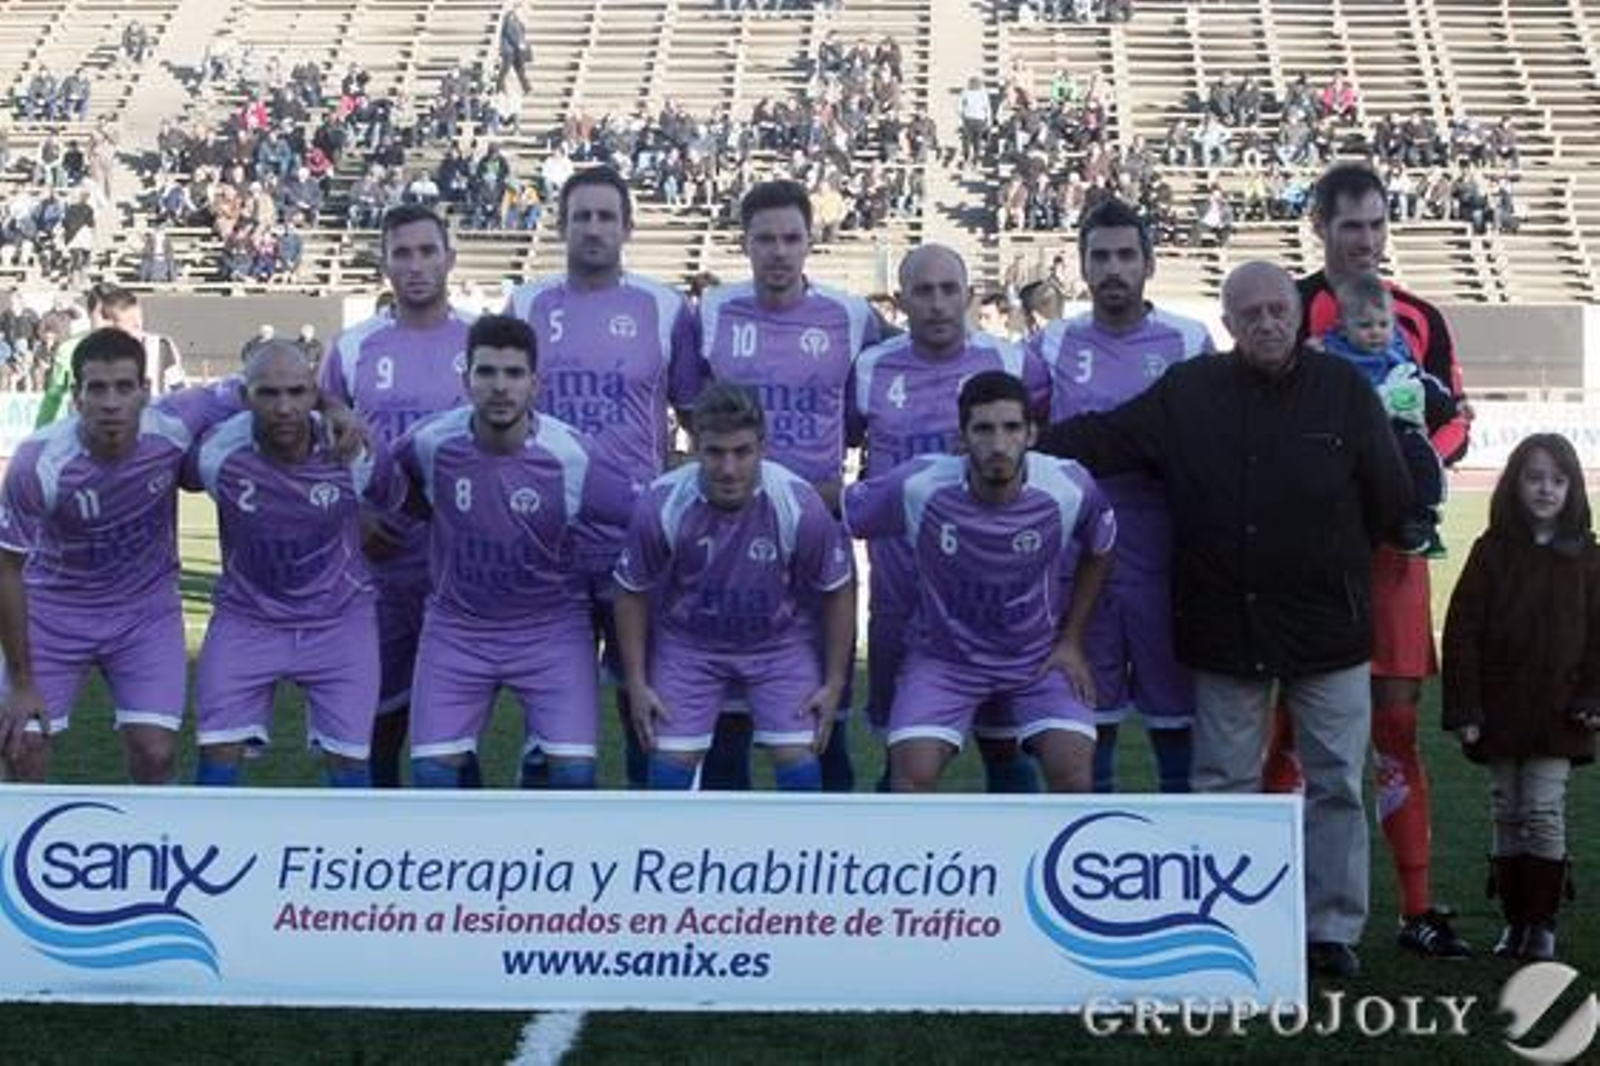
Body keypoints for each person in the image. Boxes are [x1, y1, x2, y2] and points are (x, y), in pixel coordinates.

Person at [1038, 261, 1413, 979]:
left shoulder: (1344, 393)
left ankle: (1329, 928)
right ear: (1228, 323)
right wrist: (1019, 445)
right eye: (1252, 314)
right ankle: (1220, 918)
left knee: (1335, 781)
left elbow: (1388, 500)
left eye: (1279, 310)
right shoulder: (1190, 392)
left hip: (1328, 629)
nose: (1268, 323)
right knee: (1223, 783)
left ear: (1301, 318)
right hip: (1226, 628)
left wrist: (1324, 560)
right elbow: (1106, 438)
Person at [1266, 162, 1475, 960]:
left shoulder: (1418, 318)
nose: (1364, 241)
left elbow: (1454, 421)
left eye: (1376, 225)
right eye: (1349, 225)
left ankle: (1417, 910)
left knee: (1394, 731)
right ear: (1319, 226)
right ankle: (1277, 902)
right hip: (1305, 562)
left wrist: (1408, 468)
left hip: (1393, 560)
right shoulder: (1284, 304)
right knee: (1291, 733)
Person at [503, 165, 700, 788]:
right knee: (551, 703)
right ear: (560, 225)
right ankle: (548, 848)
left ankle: (652, 838)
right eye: (581, 216)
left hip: (633, 538)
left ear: (627, 227)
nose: (593, 228)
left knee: (642, 695)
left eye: (605, 217)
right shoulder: (528, 303)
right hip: (545, 539)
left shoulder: (667, 308)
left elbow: (696, 416)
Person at [695, 179, 883, 792]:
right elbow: (690, 406)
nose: (778, 251)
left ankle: (832, 865)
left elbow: (872, 410)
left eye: (791, 238)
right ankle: (729, 868)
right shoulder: (713, 312)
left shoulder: (852, 317)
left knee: (825, 712)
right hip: (726, 533)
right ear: (744, 244)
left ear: (810, 242)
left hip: (815, 532)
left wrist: (835, 486)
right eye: (765, 239)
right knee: (729, 725)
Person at [395, 314, 636, 790]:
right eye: (486, 373)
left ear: (535, 384)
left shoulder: (574, 457)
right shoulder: (428, 443)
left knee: (573, 775)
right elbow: (382, 485)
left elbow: (644, 517)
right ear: (466, 381)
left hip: (550, 631)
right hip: (456, 629)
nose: (500, 387)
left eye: (513, 373)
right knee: (431, 776)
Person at [845, 370, 1114, 793]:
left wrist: (1072, 639)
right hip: (944, 659)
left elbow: (1101, 547)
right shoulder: (919, 485)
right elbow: (844, 512)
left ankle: (1044, 859)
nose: (998, 444)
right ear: (962, 438)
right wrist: (765, 483)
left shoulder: (1068, 486)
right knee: (910, 778)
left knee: (1074, 772)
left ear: (1031, 434)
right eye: (983, 429)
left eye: (1010, 428)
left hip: (1035, 658)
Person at [847, 245, 1050, 793]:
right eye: (922, 291)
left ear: (969, 296)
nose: (937, 304)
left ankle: (1018, 861)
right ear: (901, 300)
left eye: (948, 290)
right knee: (903, 747)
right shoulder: (870, 368)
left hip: (990, 594)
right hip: (900, 589)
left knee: (1004, 744)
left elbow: (1041, 451)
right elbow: (847, 443)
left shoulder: (1014, 364)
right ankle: (899, 869)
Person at [1029, 198, 1213, 794]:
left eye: (1126, 255)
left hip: (1166, 562)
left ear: (1149, 264)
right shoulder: (1052, 344)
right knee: (1089, 725)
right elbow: (1022, 439)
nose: (1113, 268)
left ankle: (1181, 865)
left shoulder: (1190, 341)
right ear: (1082, 268)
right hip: (1078, 567)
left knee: (1176, 727)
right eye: (1100, 257)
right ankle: (1093, 865)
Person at [0, 329, 233, 784]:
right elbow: (6, 568)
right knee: (20, 745)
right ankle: (20, 852)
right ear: (76, 397)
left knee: (156, 751)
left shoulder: (176, 424)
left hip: (143, 614)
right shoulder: (38, 462)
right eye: (97, 388)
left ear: (146, 392)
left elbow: (260, 381)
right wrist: (22, 682)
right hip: (54, 614)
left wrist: (334, 409)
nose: (111, 402)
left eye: (124, 387)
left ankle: (154, 845)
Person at [615, 383, 855, 790]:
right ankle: (669, 852)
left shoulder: (797, 503)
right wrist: (637, 684)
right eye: (715, 452)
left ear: (762, 447)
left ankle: (801, 853)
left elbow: (838, 589)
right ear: (694, 448)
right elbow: (630, 591)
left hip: (778, 644)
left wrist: (833, 683)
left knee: (800, 763)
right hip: (689, 645)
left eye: (742, 452)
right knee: (669, 770)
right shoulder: (664, 501)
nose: (728, 468)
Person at [186, 342, 404, 788]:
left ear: (313, 395)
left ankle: (352, 857)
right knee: (216, 759)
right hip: (248, 617)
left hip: (339, 619)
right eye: (268, 393)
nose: (284, 407)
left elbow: (403, 500)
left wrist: (365, 519)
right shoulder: (215, 455)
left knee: (349, 766)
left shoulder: (353, 450)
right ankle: (213, 855)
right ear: (246, 399)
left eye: (297, 392)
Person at [320, 204, 477, 787]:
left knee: (454, 737)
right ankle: (375, 860)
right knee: (376, 724)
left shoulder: (481, 341)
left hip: (459, 562)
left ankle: (463, 869)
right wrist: (352, 513)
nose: (415, 265)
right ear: (384, 265)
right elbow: (320, 450)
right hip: (376, 561)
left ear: (449, 259)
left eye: (427, 251)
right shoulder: (353, 347)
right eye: (401, 254)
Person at [1443, 434, 1598, 962]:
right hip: (1500, 709)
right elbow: (1462, 630)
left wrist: (1591, 697)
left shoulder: (1587, 557)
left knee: (1543, 810)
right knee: (1507, 809)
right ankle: (1514, 922)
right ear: (1515, 484)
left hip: (1560, 711)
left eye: (1557, 479)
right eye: (1535, 478)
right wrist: (1465, 708)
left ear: (1573, 488)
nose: (1546, 489)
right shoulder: (1491, 551)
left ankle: (1542, 924)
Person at [1321, 274, 1454, 557]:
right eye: (1365, 325)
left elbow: (1422, 380)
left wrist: (1443, 400)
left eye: (1383, 324)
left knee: (1422, 459)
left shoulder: (1398, 353)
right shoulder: (1329, 355)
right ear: (1343, 327)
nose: (1376, 332)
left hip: (1398, 427)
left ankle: (1422, 518)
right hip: (1355, 437)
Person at [498, 4, 531, 93]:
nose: (520, 13)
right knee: (506, 68)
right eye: (519, 10)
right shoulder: (509, 20)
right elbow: (510, 35)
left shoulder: (517, 21)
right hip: (509, 49)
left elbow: (522, 34)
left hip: (516, 50)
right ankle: (499, 86)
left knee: (519, 68)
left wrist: (523, 45)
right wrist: (519, 44)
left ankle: (526, 87)